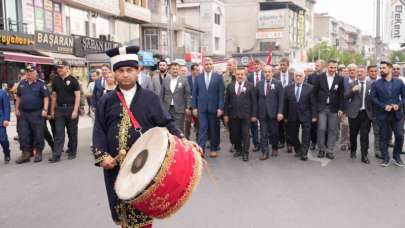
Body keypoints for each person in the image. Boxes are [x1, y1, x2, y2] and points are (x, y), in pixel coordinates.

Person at [93, 45, 184, 228]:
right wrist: (102, 156)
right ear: (114, 73)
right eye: (120, 70)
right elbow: (99, 131)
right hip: (115, 167)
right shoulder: (105, 101)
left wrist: (184, 140)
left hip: (144, 168)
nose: (125, 74)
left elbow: (167, 123)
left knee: (141, 216)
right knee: (121, 212)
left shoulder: (150, 98)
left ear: (138, 71)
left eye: (129, 70)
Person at [370, 61, 405, 167]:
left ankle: (396, 156)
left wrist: (398, 105)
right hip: (383, 115)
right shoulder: (376, 83)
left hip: (397, 114)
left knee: (399, 135)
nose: (381, 70)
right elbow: (373, 98)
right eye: (380, 68)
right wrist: (383, 106)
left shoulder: (399, 82)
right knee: (383, 137)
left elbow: (404, 97)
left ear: (390, 68)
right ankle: (385, 158)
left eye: (384, 68)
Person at [15, 64, 49, 164]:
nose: (28, 74)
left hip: (37, 113)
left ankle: (38, 152)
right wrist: (16, 109)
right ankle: (25, 153)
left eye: (31, 72)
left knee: (38, 133)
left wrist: (45, 109)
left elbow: (46, 98)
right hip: (24, 113)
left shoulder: (41, 84)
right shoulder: (22, 83)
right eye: (27, 72)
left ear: (35, 73)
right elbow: (18, 97)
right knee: (23, 133)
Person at [192, 57, 225, 158]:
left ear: (212, 65)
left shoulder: (218, 77)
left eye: (210, 64)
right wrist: (194, 107)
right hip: (201, 108)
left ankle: (213, 148)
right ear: (203, 65)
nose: (208, 66)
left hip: (214, 108)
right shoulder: (198, 77)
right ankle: (201, 149)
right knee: (202, 128)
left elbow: (221, 94)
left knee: (214, 128)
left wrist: (220, 108)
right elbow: (194, 93)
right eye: (206, 64)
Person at [49, 60, 81, 162]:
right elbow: (54, 96)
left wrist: (75, 110)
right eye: (58, 68)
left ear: (67, 68)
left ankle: (72, 152)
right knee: (59, 132)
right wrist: (52, 110)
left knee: (72, 132)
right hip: (59, 109)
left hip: (71, 108)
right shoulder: (56, 80)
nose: (59, 70)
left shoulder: (73, 80)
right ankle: (56, 155)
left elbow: (77, 96)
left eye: (61, 67)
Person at [313, 59, 344, 160]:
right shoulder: (320, 77)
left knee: (332, 130)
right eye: (331, 67)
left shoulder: (340, 79)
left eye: (335, 68)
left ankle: (330, 150)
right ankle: (321, 149)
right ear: (327, 67)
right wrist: (316, 108)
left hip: (334, 108)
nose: (332, 69)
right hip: (322, 108)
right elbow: (314, 93)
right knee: (321, 128)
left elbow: (341, 95)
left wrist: (341, 108)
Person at [224, 67, 257, 162]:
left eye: (242, 74)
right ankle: (238, 149)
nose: (240, 76)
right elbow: (227, 102)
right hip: (233, 115)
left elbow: (254, 102)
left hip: (246, 115)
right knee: (235, 134)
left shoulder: (250, 86)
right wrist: (226, 114)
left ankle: (245, 152)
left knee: (245, 134)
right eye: (238, 74)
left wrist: (254, 115)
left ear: (245, 75)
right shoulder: (230, 86)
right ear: (235, 74)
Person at [283, 70, 316, 161]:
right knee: (292, 134)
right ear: (293, 77)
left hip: (306, 115)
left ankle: (304, 153)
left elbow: (313, 103)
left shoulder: (310, 88)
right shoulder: (287, 88)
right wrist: (285, 116)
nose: (298, 77)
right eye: (296, 76)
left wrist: (314, 116)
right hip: (292, 115)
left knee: (306, 135)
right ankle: (298, 149)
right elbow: (285, 104)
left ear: (304, 77)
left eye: (300, 76)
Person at [344, 66, 373, 164]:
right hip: (354, 113)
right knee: (353, 134)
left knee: (364, 135)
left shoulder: (371, 84)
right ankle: (353, 150)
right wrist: (353, 90)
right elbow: (346, 96)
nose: (359, 73)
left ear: (366, 73)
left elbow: (373, 98)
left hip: (366, 113)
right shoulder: (351, 84)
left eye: (362, 72)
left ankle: (364, 155)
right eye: (358, 72)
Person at [257, 65, 284, 160]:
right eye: (265, 72)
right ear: (263, 73)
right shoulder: (259, 84)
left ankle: (275, 147)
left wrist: (280, 112)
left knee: (274, 133)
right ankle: (265, 152)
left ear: (272, 73)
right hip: (262, 113)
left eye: (269, 72)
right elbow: (257, 99)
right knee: (263, 133)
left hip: (274, 113)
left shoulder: (278, 83)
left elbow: (281, 99)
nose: (267, 73)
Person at [160, 62, 191, 133]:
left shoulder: (184, 80)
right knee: (167, 129)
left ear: (179, 70)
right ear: (169, 70)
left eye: (177, 69)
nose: (175, 71)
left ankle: (179, 143)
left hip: (179, 109)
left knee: (179, 129)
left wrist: (188, 107)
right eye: (173, 69)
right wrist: (160, 108)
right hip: (167, 109)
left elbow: (187, 95)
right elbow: (161, 95)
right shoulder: (165, 80)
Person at [274, 58, 294, 152]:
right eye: (281, 64)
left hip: (290, 104)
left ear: (288, 65)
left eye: (284, 64)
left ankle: (289, 144)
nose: (282, 66)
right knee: (280, 124)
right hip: (278, 103)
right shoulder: (275, 75)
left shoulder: (293, 75)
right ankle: (281, 141)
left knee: (289, 125)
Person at [307, 59, 325, 150]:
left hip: (324, 104)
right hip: (313, 104)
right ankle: (313, 142)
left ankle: (323, 143)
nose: (315, 67)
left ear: (322, 66)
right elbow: (309, 90)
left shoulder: (326, 76)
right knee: (313, 124)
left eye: (317, 65)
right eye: (315, 65)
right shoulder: (310, 77)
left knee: (323, 125)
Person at [247, 59, 265, 152]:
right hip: (252, 104)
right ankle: (256, 143)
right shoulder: (249, 76)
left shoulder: (264, 75)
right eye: (255, 64)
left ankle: (263, 143)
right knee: (253, 125)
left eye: (258, 64)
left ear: (261, 66)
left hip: (262, 103)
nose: (256, 66)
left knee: (263, 125)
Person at [341, 64, 358, 151]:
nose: (352, 71)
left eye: (354, 70)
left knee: (353, 127)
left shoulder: (360, 81)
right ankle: (344, 142)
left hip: (356, 108)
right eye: (350, 70)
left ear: (356, 71)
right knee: (345, 125)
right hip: (346, 106)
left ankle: (351, 142)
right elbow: (341, 95)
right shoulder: (343, 81)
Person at [367, 65, 382, 159]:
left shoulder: (381, 82)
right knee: (365, 132)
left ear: (377, 72)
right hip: (366, 112)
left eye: (375, 71)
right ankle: (365, 149)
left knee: (377, 132)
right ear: (368, 72)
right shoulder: (364, 81)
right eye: (371, 71)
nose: (373, 73)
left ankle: (378, 150)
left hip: (377, 112)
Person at [185, 64, 200, 140]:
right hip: (189, 105)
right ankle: (186, 138)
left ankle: (198, 138)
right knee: (187, 122)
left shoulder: (201, 79)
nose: (198, 71)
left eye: (198, 70)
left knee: (198, 122)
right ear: (192, 71)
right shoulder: (186, 79)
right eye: (196, 70)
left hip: (198, 105)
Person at [0, 86, 11, 163]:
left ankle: (7, 153)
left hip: (1, 120)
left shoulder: (3, 92)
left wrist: (6, 119)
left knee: (3, 139)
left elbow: (7, 107)